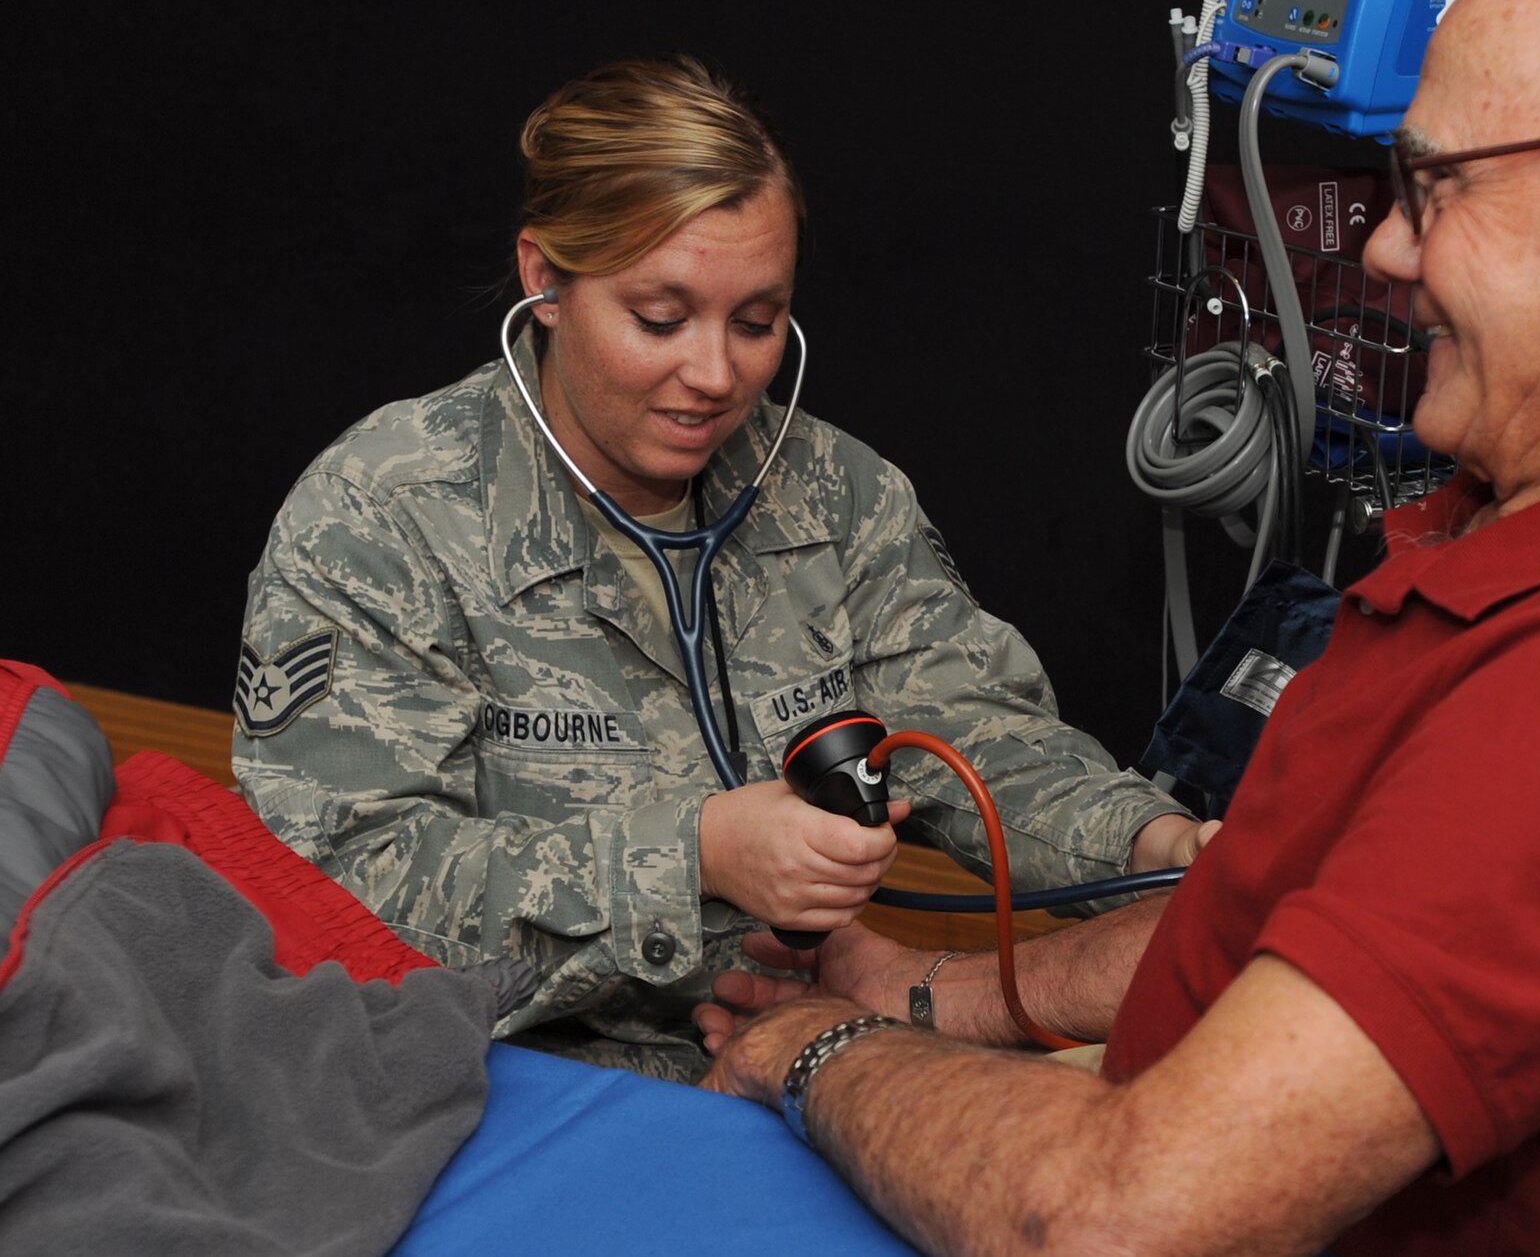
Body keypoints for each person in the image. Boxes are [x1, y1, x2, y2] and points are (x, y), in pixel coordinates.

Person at [694, 0, 1540, 1253]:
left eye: (1437, 184)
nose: (1392, 248)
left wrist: (812, 1048)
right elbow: (1304, 921)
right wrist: (935, 999)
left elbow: (1121, 1221)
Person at [230, 53, 1208, 1083]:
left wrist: (1148, 844)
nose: (714, 375)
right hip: (497, 1074)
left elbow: (974, 729)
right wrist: (693, 852)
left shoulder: (835, 491)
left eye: (756, 322)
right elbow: (330, 892)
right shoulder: (381, 516)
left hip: (801, 1042)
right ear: (544, 279)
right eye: (659, 319)